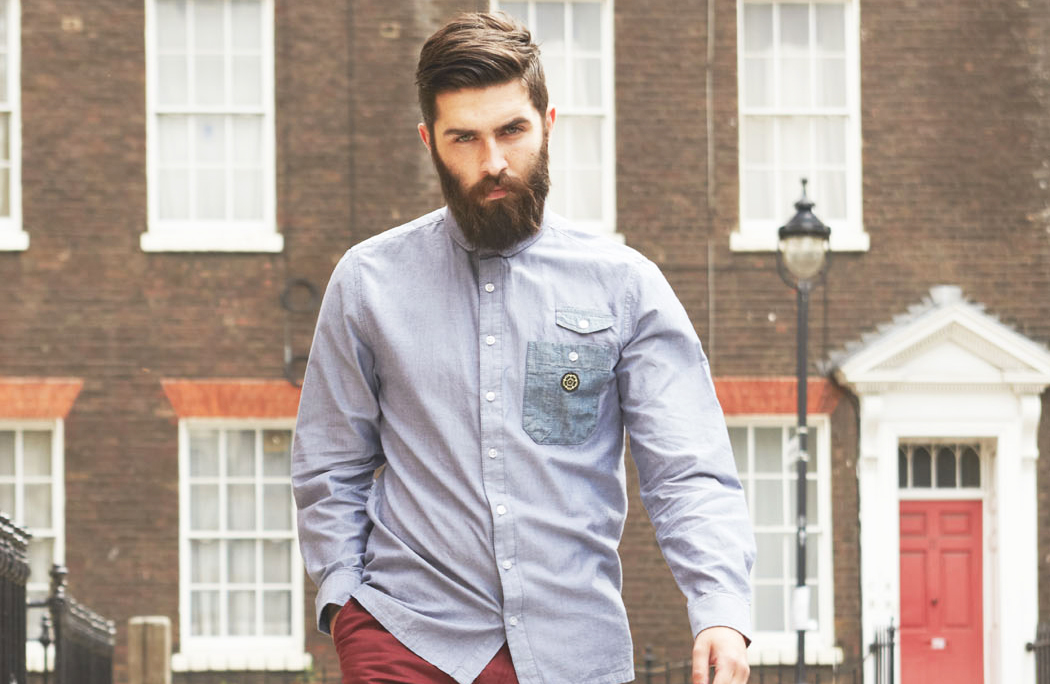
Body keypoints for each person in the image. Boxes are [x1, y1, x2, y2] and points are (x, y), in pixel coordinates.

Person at [292, 12, 755, 684]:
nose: (493, 162)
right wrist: (345, 604)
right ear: (429, 142)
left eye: (512, 130)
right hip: (406, 641)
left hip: (573, 655)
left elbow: (687, 469)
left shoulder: (625, 286)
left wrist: (719, 609)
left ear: (548, 123)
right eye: (464, 138)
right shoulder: (367, 282)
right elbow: (330, 462)